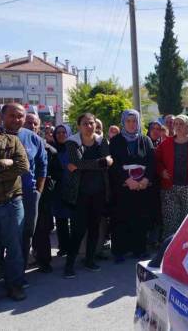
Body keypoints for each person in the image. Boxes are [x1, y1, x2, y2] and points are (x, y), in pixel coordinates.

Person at [0, 103, 30, 310]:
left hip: (12, 203)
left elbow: (22, 166)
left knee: (15, 249)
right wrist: (2, 164)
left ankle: (15, 285)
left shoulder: (12, 140)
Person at [63, 113, 113, 278]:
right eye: (85, 123)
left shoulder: (101, 141)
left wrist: (81, 165)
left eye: (91, 123)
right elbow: (75, 162)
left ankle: (89, 260)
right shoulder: (72, 142)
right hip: (80, 194)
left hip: (99, 193)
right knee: (77, 230)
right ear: (79, 126)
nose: (89, 126)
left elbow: (78, 165)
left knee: (94, 229)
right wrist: (101, 162)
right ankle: (69, 264)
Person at [1, 104, 47, 275]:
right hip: (0, 195)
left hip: (28, 195)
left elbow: (43, 166)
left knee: (26, 233)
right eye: (12, 115)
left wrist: (38, 192)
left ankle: (18, 274)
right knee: (0, 235)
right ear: (2, 116)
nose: (16, 119)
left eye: (20, 116)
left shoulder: (33, 138)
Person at [109, 110, 156, 263]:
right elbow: (114, 164)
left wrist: (145, 179)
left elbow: (151, 162)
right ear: (123, 122)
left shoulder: (145, 140)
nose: (131, 124)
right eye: (128, 121)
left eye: (134, 121)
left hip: (142, 187)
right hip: (123, 187)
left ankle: (139, 249)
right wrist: (127, 180)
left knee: (140, 218)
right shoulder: (115, 141)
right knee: (121, 218)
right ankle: (119, 251)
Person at [156, 115, 188, 237]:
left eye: (181, 124)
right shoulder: (166, 143)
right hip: (170, 188)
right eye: (176, 124)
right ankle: (170, 249)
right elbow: (156, 160)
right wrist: (162, 171)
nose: (178, 126)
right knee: (171, 221)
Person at [30, 117, 59, 274]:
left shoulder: (48, 149)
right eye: (29, 122)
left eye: (35, 123)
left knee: (42, 230)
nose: (32, 125)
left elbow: (56, 172)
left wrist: (48, 184)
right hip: (16, 195)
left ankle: (44, 261)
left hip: (42, 196)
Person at [50, 125, 73, 258]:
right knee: (61, 220)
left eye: (64, 132)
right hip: (58, 189)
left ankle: (73, 247)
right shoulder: (52, 149)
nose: (61, 134)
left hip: (73, 188)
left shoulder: (74, 148)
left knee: (74, 219)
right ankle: (63, 247)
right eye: (58, 132)